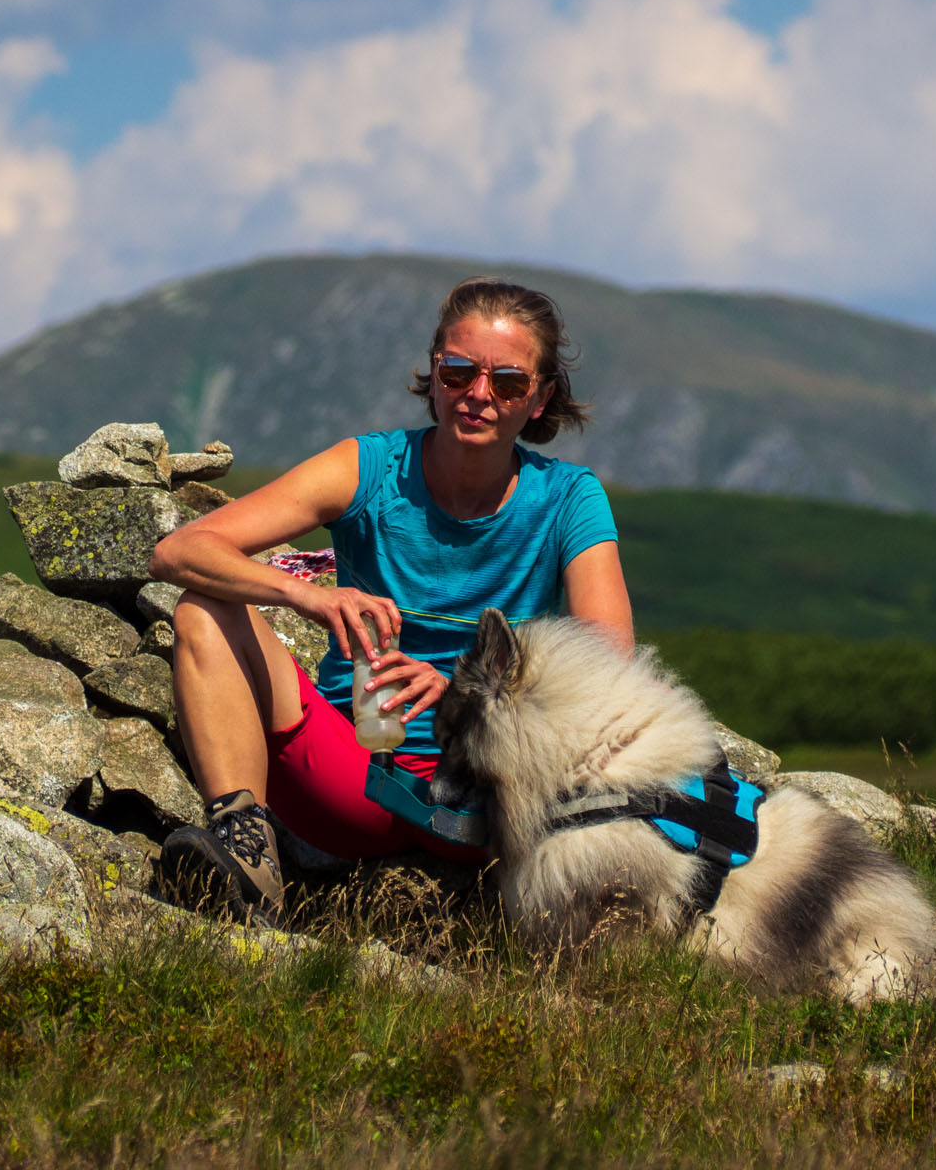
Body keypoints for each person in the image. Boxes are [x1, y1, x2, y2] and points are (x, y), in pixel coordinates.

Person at [148, 277, 634, 922]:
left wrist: (466, 690)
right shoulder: (370, 466)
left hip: (491, 796)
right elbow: (181, 551)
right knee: (202, 609)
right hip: (353, 770)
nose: (479, 395)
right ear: (432, 376)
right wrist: (305, 597)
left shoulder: (570, 497)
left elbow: (610, 665)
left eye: (509, 382)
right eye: (458, 371)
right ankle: (245, 857)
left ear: (540, 399)